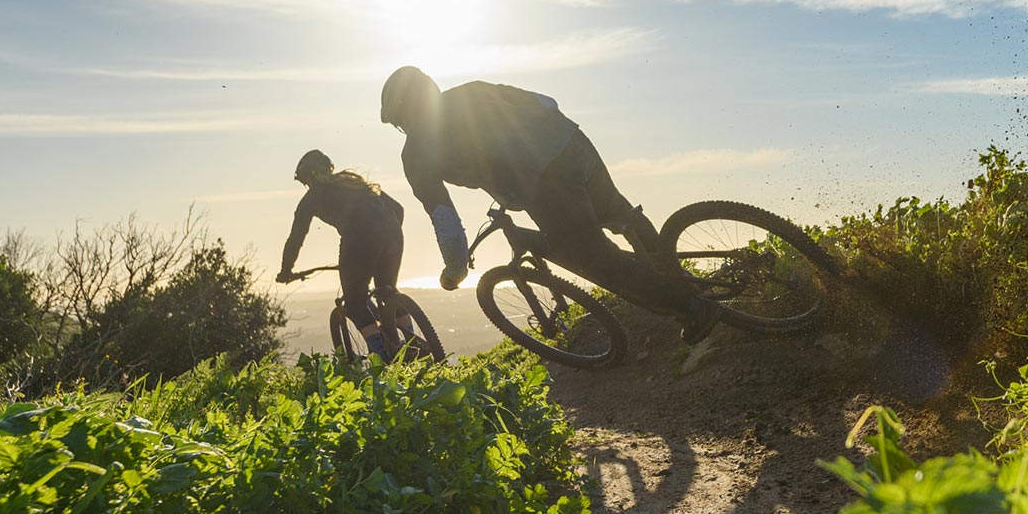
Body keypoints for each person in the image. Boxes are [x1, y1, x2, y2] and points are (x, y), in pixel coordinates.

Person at [378, 66, 721, 343]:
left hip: (543, 181)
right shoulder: (472, 90)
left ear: (400, 117)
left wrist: (454, 272)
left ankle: (692, 307)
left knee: (594, 258)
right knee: (617, 211)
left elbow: (447, 224)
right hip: (572, 143)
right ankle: (679, 278)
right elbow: (547, 102)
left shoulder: (415, 153)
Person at [275, 150, 421, 358]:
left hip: (358, 239)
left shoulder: (312, 198)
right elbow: (398, 209)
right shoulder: (356, 183)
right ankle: (415, 347)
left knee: (354, 304)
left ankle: (383, 358)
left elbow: (296, 238)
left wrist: (286, 270)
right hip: (392, 232)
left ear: (310, 177)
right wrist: (387, 237)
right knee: (387, 292)